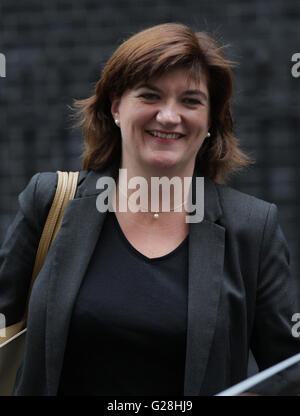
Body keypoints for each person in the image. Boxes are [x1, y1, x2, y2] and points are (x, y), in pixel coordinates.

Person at [0, 22, 299, 396]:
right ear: (115, 107)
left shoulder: (253, 228)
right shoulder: (49, 201)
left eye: (190, 101)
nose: (169, 116)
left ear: (209, 120)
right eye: (150, 96)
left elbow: (289, 374)